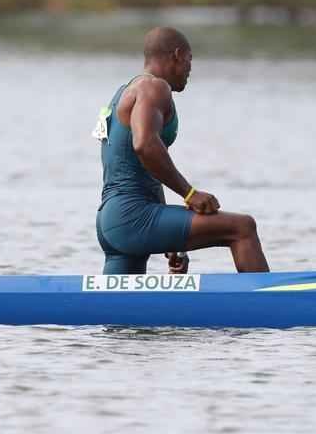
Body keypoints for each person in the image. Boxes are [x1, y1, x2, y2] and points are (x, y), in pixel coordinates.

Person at [93, 26, 268, 274]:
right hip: (132, 217)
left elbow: (141, 166)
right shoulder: (154, 88)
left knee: (119, 300)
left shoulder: (124, 92)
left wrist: (171, 239)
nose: (189, 70)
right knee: (242, 228)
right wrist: (190, 194)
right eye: (189, 61)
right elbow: (144, 145)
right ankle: (267, 299)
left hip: (110, 220)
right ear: (176, 55)